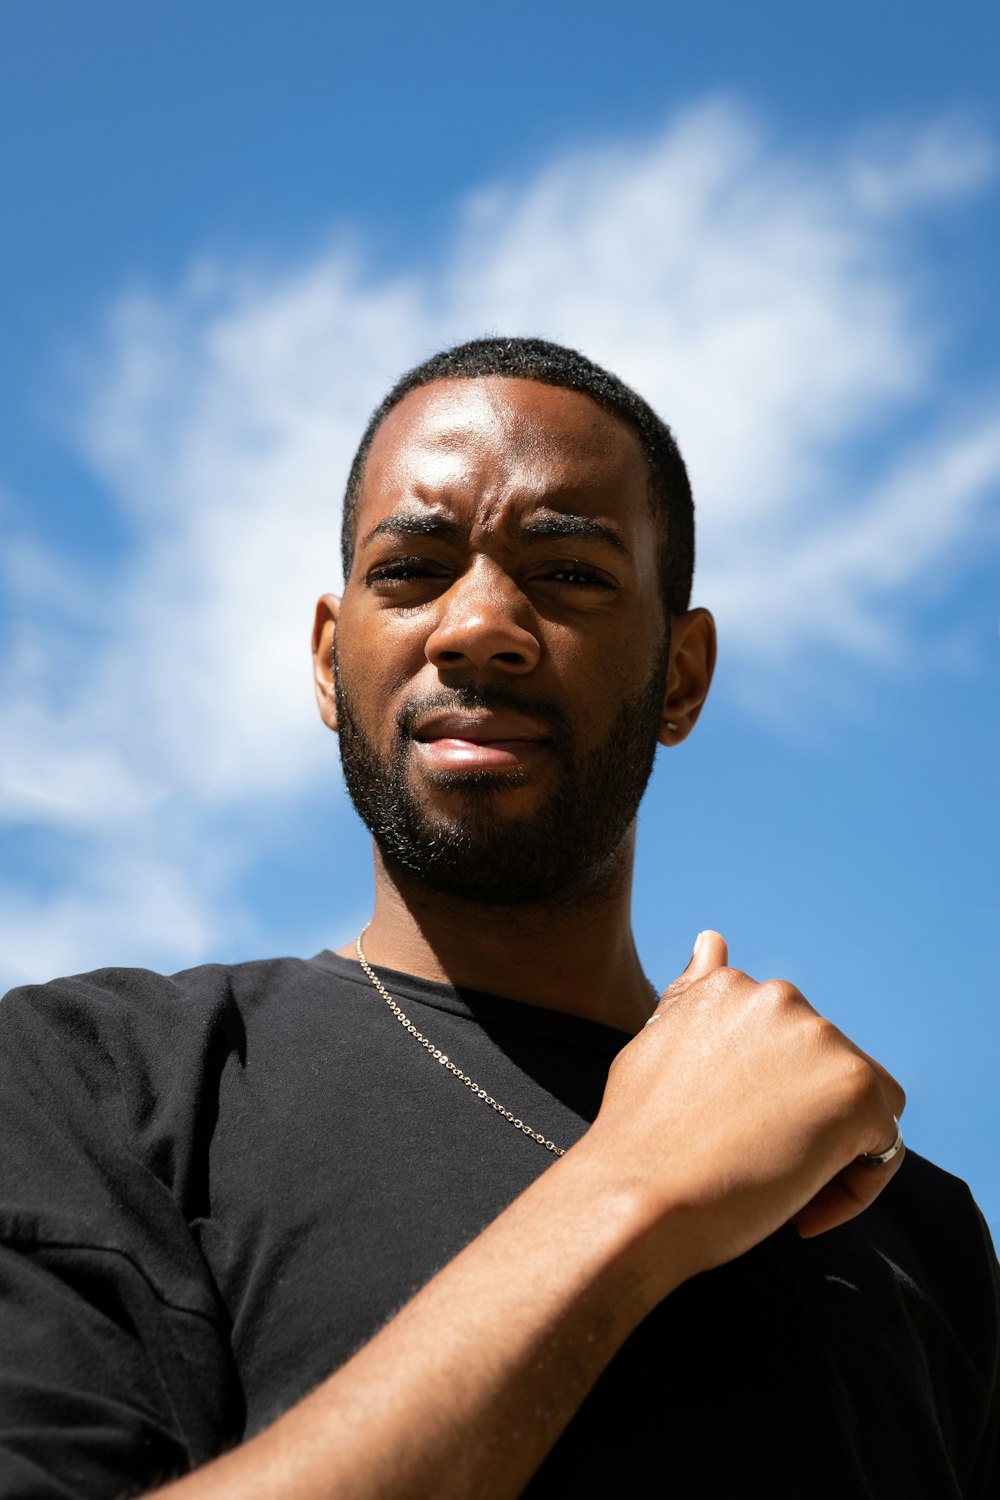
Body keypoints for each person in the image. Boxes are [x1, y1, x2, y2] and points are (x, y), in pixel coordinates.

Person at [1, 337, 997, 1500]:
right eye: (411, 569)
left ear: (680, 676)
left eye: (568, 573)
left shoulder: (901, 1223)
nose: (476, 625)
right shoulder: (104, 1084)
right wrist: (637, 1190)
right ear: (331, 663)